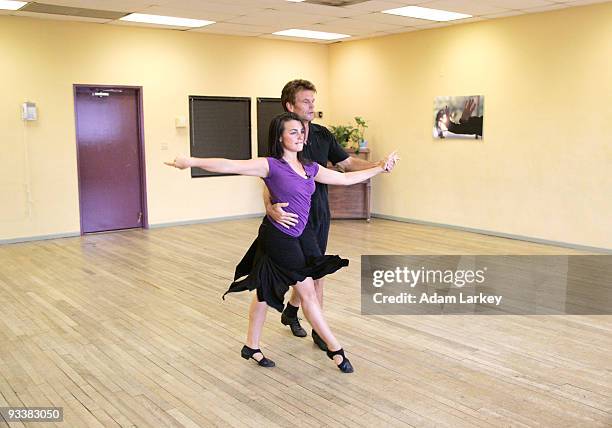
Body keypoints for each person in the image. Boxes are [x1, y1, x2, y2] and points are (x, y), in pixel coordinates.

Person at [166, 112, 399, 373]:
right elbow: (230, 164)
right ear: (280, 137)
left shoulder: (310, 167)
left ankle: (251, 346)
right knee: (307, 291)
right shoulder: (270, 165)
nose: (300, 136)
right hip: (279, 236)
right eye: (293, 132)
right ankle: (336, 349)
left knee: (265, 290)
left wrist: (379, 168)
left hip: (301, 234)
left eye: (301, 131)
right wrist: (189, 161)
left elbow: (344, 178)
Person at [265, 79, 390, 350]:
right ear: (290, 105)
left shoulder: (322, 135)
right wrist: (269, 207)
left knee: (316, 271)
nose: (312, 106)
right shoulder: (284, 135)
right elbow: (268, 175)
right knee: (298, 273)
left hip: (319, 212)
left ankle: (303, 319)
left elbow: (346, 163)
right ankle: (310, 325)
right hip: (291, 215)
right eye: (306, 101)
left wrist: (377, 165)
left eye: (313, 101)